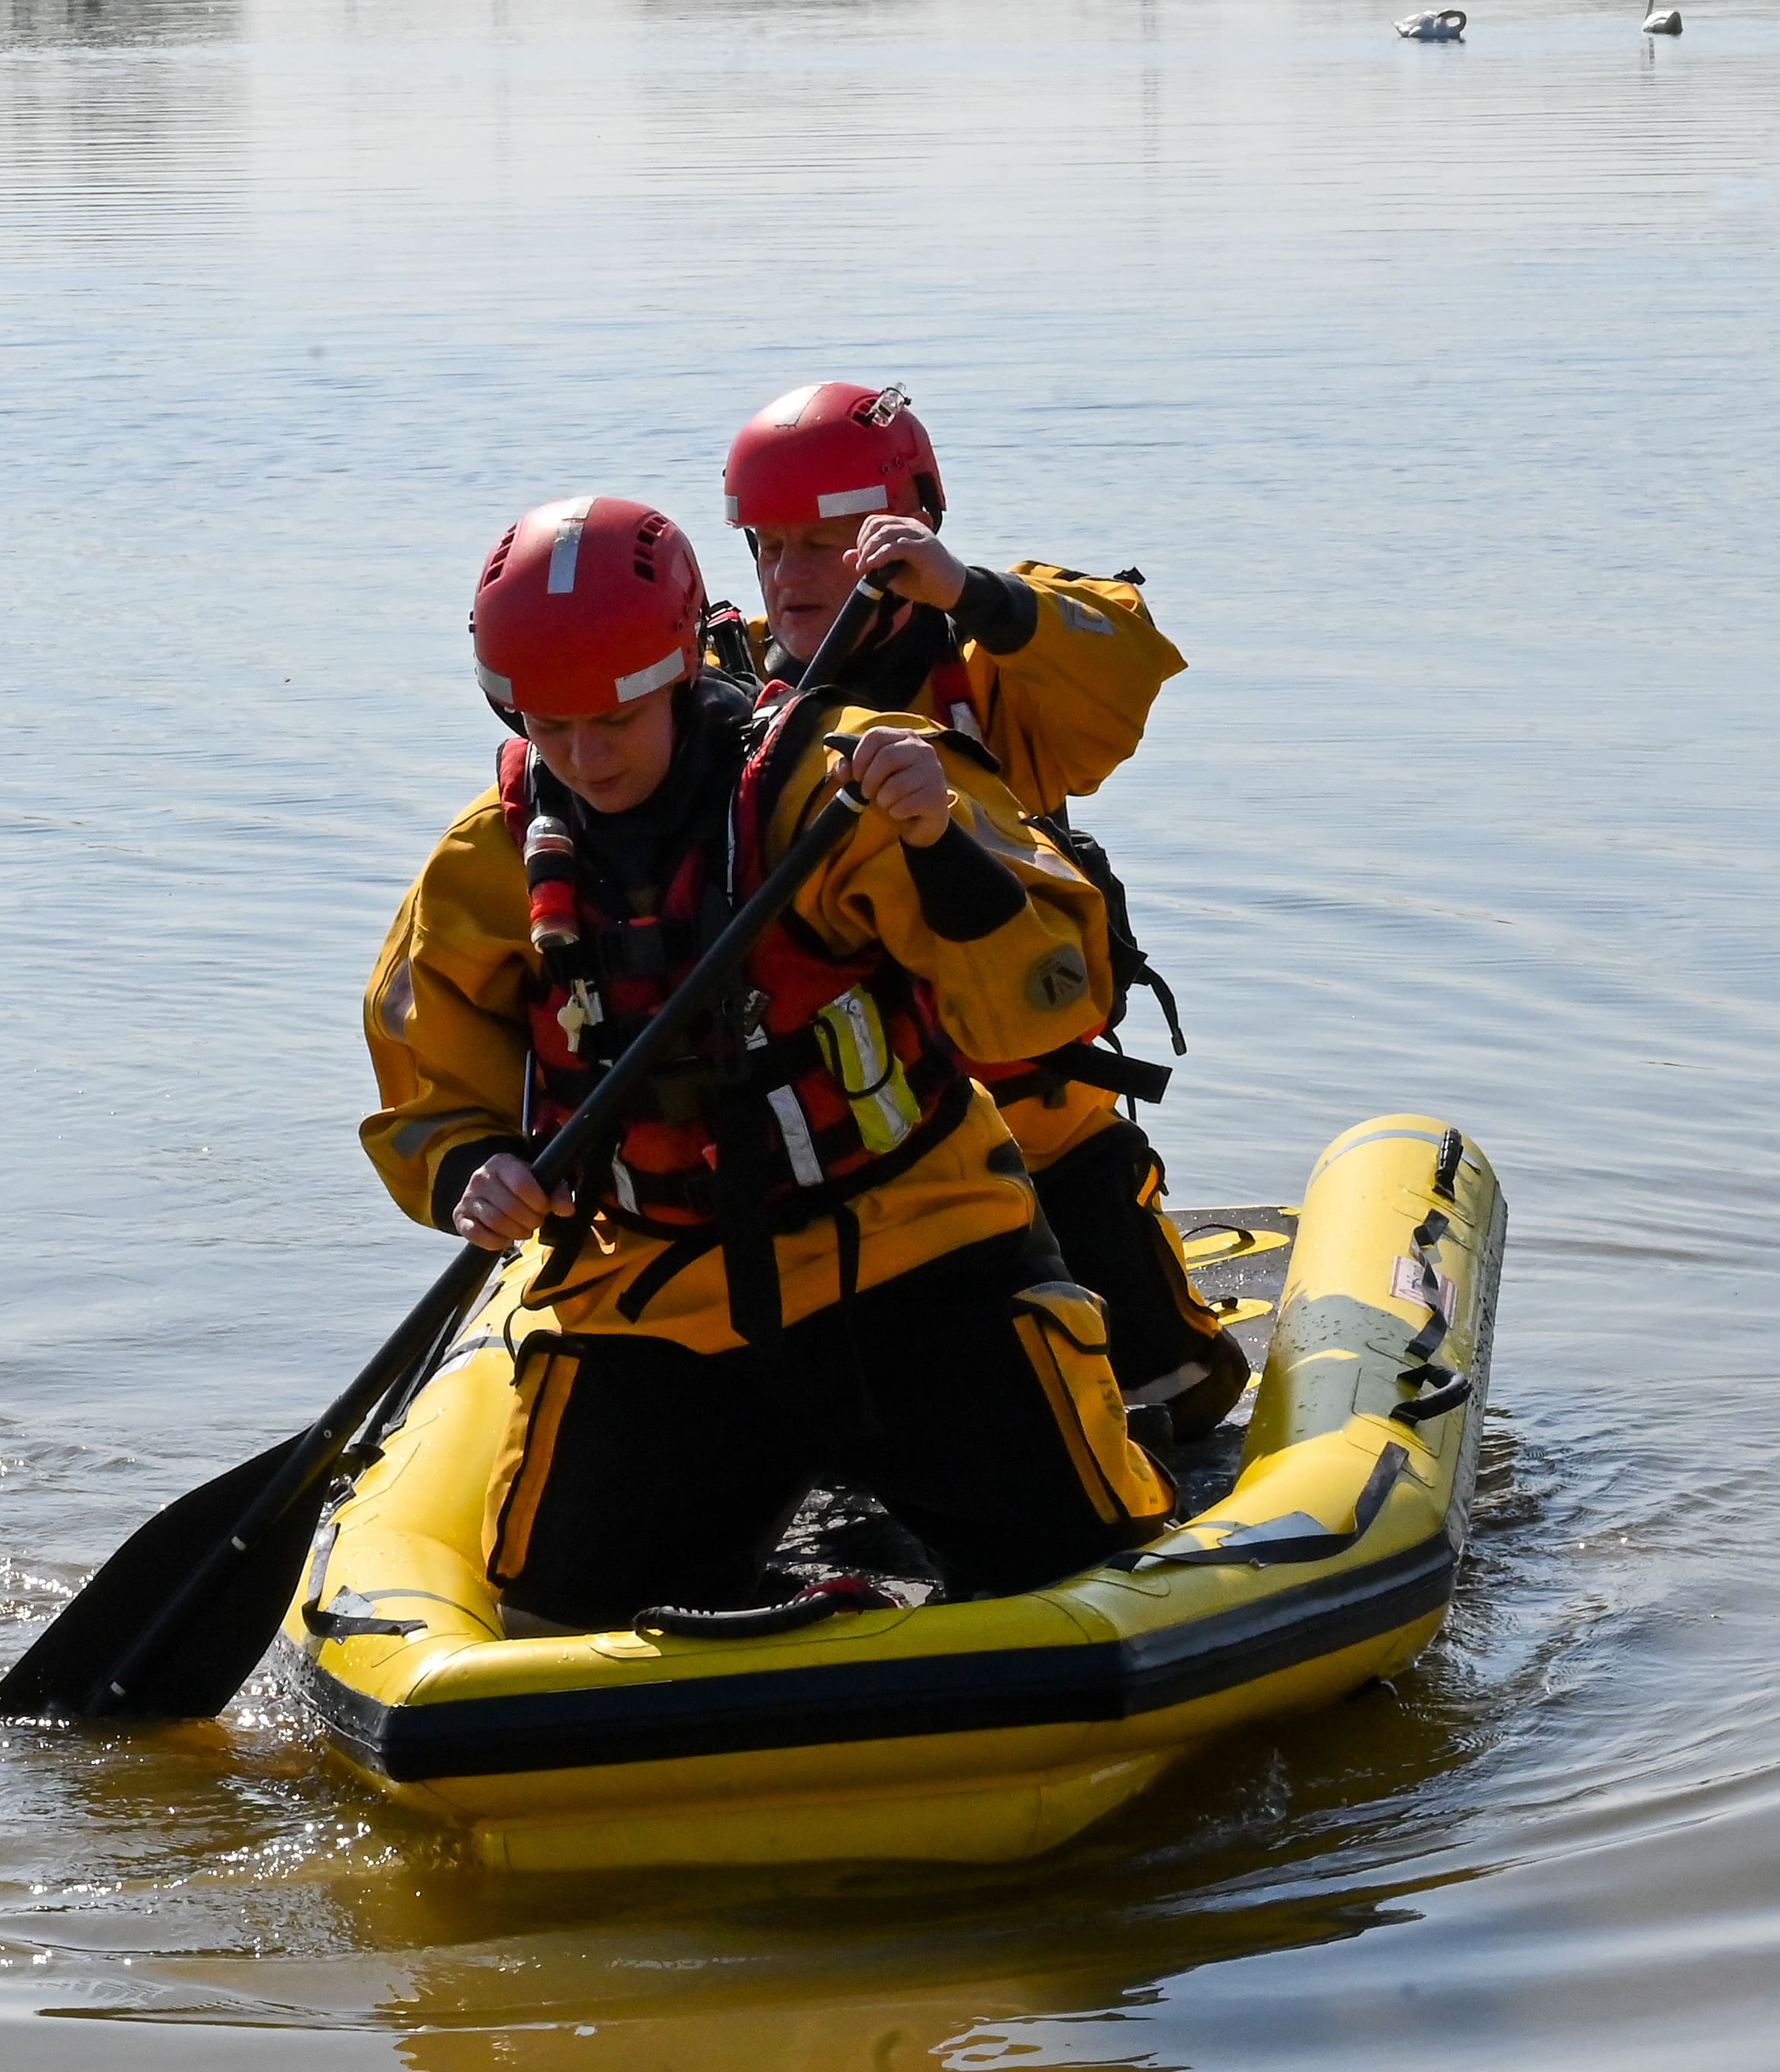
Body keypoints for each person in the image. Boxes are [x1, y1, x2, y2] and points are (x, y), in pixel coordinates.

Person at [360, 495, 1174, 1633]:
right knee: (553, 1628)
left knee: (1086, 1577)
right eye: (552, 729)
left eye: (616, 722)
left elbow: (1035, 1005)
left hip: (918, 1258)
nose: (586, 760)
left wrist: (936, 838)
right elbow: (425, 1087)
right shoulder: (485, 868)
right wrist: (469, 1171)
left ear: (680, 673)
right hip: (661, 1299)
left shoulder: (837, 785)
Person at [717, 378, 1246, 1443]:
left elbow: (1125, 668)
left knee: (1178, 1391)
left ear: (899, 534)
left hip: (1032, 1122)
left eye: (824, 546)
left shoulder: (991, 665)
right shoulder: (720, 704)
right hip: (843, 1148)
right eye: (770, 547)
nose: (790, 576)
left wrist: (973, 593)